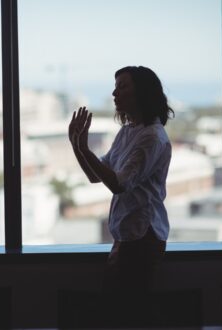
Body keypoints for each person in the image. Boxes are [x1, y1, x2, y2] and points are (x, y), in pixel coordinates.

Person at [68, 66, 173, 293]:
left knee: (125, 312)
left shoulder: (152, 137)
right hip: (128, 237)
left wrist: (83, 148)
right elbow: (95, 176)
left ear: (142, 92)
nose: (115, 94)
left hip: (142, 237)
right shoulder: (128, 131)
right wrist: (77, 146)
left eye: (122, 87)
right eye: (115, 88)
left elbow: (118, 184)